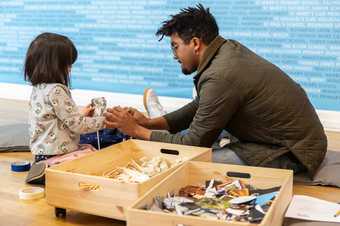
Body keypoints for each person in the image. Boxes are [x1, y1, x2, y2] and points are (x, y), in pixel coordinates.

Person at [104, 4, 327, 177]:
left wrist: (137, 131)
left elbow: (193, 145)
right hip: (295, 140)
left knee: (183, 162)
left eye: (175, 46)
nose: (173, 55)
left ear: (195, 43)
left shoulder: (221, 74)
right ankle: (155, 116)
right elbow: (200, 105)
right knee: (190, 135)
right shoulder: (225, 51)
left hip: (292, 153)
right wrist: (149, 123)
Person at [24, 32, 105, 165]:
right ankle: (50, 168)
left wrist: (80, 114)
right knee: (94, 156)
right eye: (67, 64)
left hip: (42, 155)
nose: (69, 69)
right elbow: (78, 126)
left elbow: (53, 119)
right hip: (57, 155)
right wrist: (105, 121)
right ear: (55, 66)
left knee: (88, 149)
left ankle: (45, 167)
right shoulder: (56, 90)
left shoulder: (39, 88)